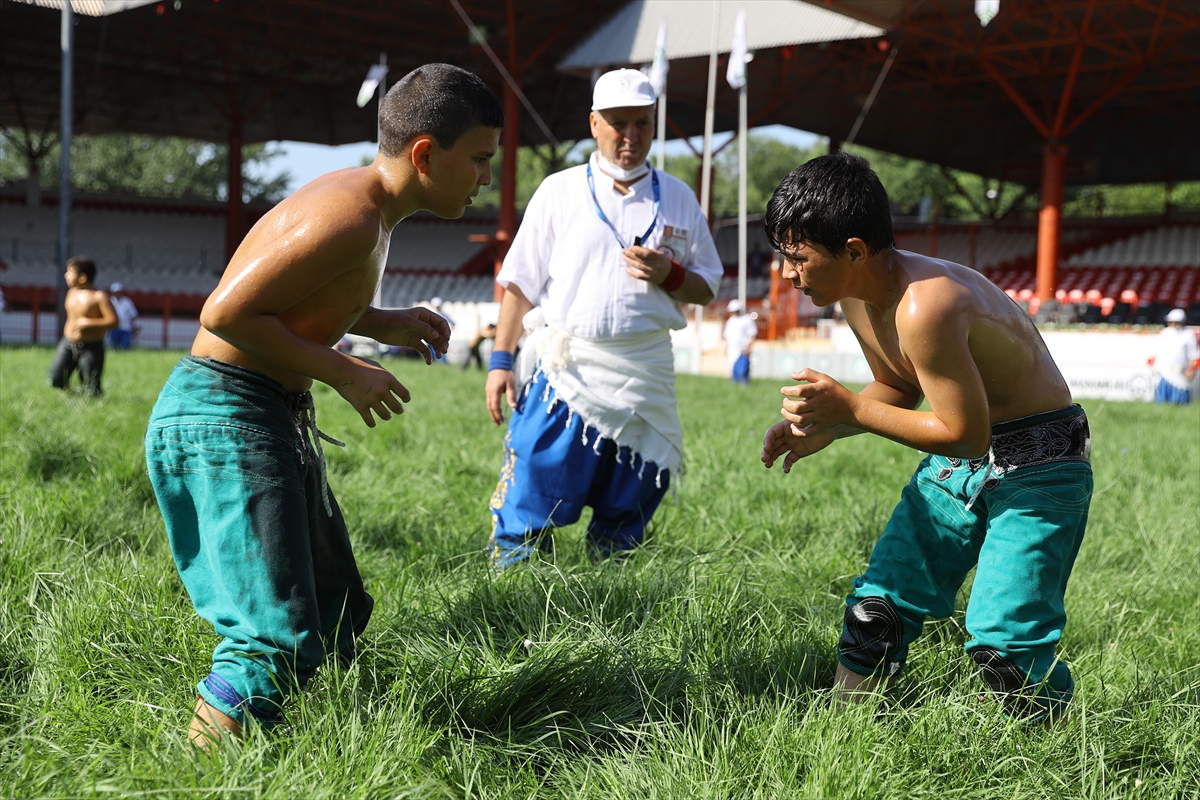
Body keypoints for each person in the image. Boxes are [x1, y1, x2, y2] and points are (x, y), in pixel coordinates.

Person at [143, 63, 500, 748]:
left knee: (335, 605)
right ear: (426, 154)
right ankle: (190, 774)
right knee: (271, 635)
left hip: (256, 415)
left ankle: (330, 743)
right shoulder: (353, 216)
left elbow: (299, 298)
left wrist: (379, 320)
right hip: (226, 419)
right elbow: (226, 313)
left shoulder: (363, 210)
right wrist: (343, 371)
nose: (485, 177)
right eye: (479, 159)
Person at [760, 153, 1092, 723]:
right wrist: (828, 428)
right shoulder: (856, 296)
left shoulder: (926, 305)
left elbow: (964, 434)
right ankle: (836, 734)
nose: (788, 274)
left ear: (856, 251)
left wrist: (854, 409)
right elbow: (897, 384)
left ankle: (1063, 750)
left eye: (798, 258)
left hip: (1041, 465)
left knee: (1005, 647)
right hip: (962, 459)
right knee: (877, 609)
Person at [485, 68, 721, 567]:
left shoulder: (678, 195)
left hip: (645, 368)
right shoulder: (559, 190)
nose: (630, 136)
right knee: (535, 481)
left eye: (642, 123)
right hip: (568, 366)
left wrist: (671, 274)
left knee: (629, 500)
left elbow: (709, 284)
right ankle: (511, 586)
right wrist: (501, 360)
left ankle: (612, 587)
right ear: (594, 124)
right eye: (618, 123)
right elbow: (521, 282)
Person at [48, 256, 118, 396]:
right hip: (68, 344)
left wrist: (88, 323)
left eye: (70, 272)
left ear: (82, 277)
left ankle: (90, 400)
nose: (66, 275)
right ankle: (72, 395)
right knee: (56, 379)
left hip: (92, 347)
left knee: (91, 387)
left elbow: (114, 321)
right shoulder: (71, 293)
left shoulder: (99, 297)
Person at [1149, 308, 1198, 404]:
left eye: (1174, 322)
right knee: (1162, 397)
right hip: (1164, 370)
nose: (1171, 324)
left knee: (1180, 395)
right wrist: (1154, 366)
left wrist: (1191, 369)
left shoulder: (1188, 334)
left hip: (1180, 371)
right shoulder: (1164, 333)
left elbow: (1193, 354)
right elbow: (1157, 351)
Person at [723, 299, 757, 384]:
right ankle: (734, 384)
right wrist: (726, 347)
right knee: (732, 368)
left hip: (743, 349)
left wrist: (748, 347)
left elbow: (752, 334)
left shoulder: (747, 319)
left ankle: (744, 385)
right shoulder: (731, 320)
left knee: (743, 369)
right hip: (732, 348)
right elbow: (727, 335)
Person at [107, 283, 140, 349]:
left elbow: (134, 314)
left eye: (118, 292)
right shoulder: (110, 301)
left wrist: (135, 325)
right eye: (116, 292)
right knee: (114, 345)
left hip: (125, 327)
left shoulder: (127, 302)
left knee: (125, 345)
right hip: (114, 327)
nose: (117, 294)